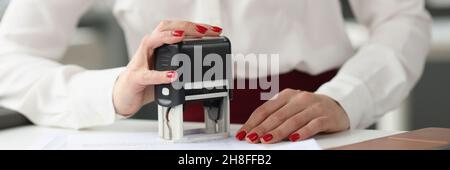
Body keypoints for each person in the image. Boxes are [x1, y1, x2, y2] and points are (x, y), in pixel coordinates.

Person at [0, 0, 431, 144]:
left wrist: (348, 96)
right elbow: (10, 58)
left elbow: (402, 16)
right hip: (165, 131)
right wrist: (112, 90)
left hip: (318, 126)